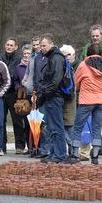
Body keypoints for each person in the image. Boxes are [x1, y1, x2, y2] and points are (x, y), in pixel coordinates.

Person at [68, 43, 102, 164]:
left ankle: (74, 154)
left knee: (77, 127)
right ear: (100, 53)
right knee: (96, 127)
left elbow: (75, 81)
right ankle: (95, 155)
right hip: (101, 100)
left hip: (86, 100)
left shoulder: (83, 65)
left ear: (88, 53)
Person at [36, 34, 68, 163]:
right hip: (50, 96)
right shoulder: (51, 57)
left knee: (57, 126)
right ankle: (54, 153)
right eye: (40, 46)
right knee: (51, 126)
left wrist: (43, 92)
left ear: (51, 44)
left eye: (44, 45)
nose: (41, 48)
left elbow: (55, 81)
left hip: (54, 96)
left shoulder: (56, 58)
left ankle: (59, 154)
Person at [0, 38, 26, 154]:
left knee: (17, 120)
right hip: (1, 93)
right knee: (1, 120)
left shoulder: (19, 59)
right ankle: (1, 146)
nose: (9, 47)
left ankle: (19, 146)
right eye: (7, 45)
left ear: (16, 47)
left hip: (14, 94)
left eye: (11, 45)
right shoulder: (0, 58)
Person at [60, 44, 77, 158]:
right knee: (62, 126)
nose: (67, 57)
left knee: (69, 126)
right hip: (63, 100)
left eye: (69, 54)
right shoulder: (63, 67)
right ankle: (71, 149)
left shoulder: (76, 67)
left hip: (70, 100)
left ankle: (74, 150)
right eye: (65, 55)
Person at [15, 45, 32, 153]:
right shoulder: (18, 67)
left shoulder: (34, 65)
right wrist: (18, 87)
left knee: (32, 122)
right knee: (23, 121)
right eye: (25, 53)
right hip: (22, 98)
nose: (26, 56)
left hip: (33, 96)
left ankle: (32, 146)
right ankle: (23, 145)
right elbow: (15, 80)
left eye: (28, 53)